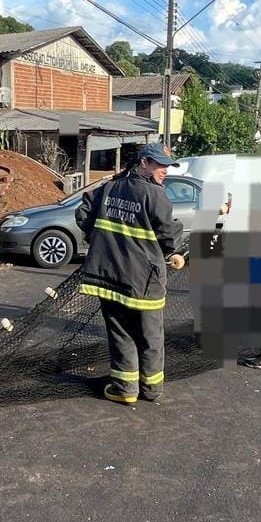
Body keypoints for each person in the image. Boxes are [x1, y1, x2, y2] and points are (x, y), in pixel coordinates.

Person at [76, 142, 182, 404]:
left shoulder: (110, 188)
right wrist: (173, 248)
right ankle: (150, 389)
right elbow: (169, 235)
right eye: (160, 165)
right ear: (143, 163)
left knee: (121, 332)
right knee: (151, 335)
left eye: (167, 166)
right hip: (145, 281)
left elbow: (83, 213)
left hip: (110, 277)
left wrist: (97, 237)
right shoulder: (154, 194)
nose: (165, 171)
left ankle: (125, 388)